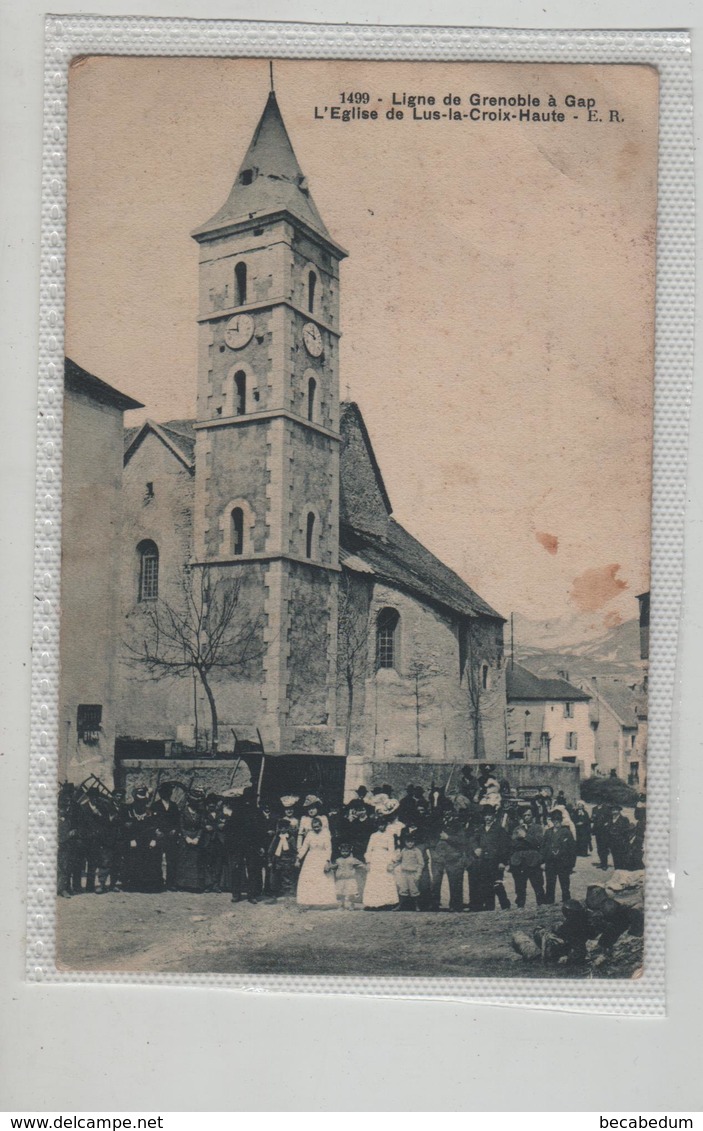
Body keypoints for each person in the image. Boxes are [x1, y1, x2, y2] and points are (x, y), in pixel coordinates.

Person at [223, 787, 266, 903]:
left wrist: (260, 845)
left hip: (252, 846)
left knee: (252, 869)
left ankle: (251, 895)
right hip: (238, 846)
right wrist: (231, 845)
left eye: (251, 798)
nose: (249, 801)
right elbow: (229, 829)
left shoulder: (257, 812)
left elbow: (261, 830)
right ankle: (236, 894)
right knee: (236, 869)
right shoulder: (237, 811)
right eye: (247, 798)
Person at [468, 809, 511, 911]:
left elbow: (505, 847)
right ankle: (489, 907)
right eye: (486, 816)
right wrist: (476, 848)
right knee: (486, 885)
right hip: (484, 861)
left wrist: (503, 861)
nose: (487, 818)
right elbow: (473, 840)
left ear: (493, 816)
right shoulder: (481, 829)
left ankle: (505, 905)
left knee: (497, 884)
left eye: (489, 815)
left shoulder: (499, 830)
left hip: (495, 861)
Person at [122, 787, 163, 892]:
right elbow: (125, 826)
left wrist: (153, 839)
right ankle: (131, 884)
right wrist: (131, 839)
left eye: (144, 801)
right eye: (139, 800)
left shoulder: (149, 811)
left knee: (147, 861)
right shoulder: (128, 810)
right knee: (131, 861)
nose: (142, 803)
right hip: (132, 840)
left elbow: (153, 827)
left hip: (146, 841)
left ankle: (145, 885)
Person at [429, 815, 468, 912]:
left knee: (455, 881)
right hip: (438, 856)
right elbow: (430, 839)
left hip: (453, 857)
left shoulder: (458, 825)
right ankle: (434, 905)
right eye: (443, 812)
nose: (446, 815)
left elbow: (462, 840)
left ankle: (456, 905)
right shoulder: (435, 823)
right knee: (436, 882)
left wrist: (448, 837)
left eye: (448, 812)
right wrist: (433, 852)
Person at [296, 817, 337, 908]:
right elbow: (304, 847)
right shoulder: (310, 834)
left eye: (318, 826)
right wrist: (298, 858)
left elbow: (328, 849)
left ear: (321, 826)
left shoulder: (325, 834)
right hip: (310, 859)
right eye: (314, 827)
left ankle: (323, 902)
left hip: (322, 858)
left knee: (322, 880)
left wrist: (327, 861)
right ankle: (309, 902)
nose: (316, 828)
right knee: (310, 880)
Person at [541, 809, 577, 904]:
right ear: (552, 821)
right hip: (550, 863)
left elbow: (572, 849)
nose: (556, 822)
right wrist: (543, 861)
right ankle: (549, 902)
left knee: (565, 884)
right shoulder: (548, 832)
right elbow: (543, 847)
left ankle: (567, 902)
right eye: (554, 820)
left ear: (561, 820)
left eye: (558, 820)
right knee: (550, 884)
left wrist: (571, 864)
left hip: (563, 863)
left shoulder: (566, 832)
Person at [363, 818, 399, 909]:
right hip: (375, 859)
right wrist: (368, 862)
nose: (381, 826)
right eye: (379, 825)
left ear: (386, 825)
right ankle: (373, 903)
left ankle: (386, 903)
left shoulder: (389, 836)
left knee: (385, 879)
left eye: (383, 825)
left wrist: (390, 863)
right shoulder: (373, 836)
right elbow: (369, 849)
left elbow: (391, 850)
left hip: (384, 858)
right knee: (374, 880)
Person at [152, 782, 181, 890]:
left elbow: (178, 821)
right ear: (160, 793)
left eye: (169, 792)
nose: (167, 794)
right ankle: (158, 882)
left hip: (171, 836)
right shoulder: (154, 805)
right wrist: (156, 831)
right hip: (159, 835)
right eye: (164, 792)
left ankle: (171, 883)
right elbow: (151, 820)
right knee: (157, 859)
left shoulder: (174, 805)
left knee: (171, 860)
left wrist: (175, 830)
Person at [509, 825, 545, 908]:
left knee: (538, 885)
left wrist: (525, 836)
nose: (526, 816)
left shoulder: (537, 828)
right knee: (519, 887)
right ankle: (520, 906)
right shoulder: (516, 828)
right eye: (524, 815)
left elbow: (539, 842)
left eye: (529, 815)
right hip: (519, 862)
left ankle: (541, 905)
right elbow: (512, 843)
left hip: (533, 861)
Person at [393, 833, 426, 911]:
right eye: (408, 842)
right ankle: (400, 906)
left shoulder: (417, 851)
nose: (410, 843)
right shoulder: (403, 850)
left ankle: (417, 906)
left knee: (414, 890)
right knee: (403, 889)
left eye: (412, 842)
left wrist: (418, 874)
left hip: (413, 873)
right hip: (404, 873)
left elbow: (421, 864)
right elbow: (398, 860)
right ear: (405, 842)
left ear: (414, 842)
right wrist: (392, 865)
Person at [330, 843, 365, 910]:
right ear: (340, 851)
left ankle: (351, 905)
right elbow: (334, 866)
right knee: (340, 893)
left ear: (349, 851)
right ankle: (341, 905)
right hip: (340, 879)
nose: (344, 853)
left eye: (346, 851)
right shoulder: (338, 860)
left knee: (351, 893)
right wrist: (329, 867)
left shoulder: (352, 859)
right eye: (343, 851)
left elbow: (360, 864)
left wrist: (365, 867)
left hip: (350, 879)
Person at [607, 804, 634, 869]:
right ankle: (617, 872)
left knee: (622, 859)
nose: (614, 811)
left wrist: (624, 840)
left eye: (616, 810)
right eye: (613, 810)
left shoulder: (624, 819)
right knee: (615, 858)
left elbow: (627, 831)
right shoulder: (610, 820)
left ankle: (622, 873)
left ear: (619, 811)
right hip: (612, 843)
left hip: (621, 843)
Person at [591, 801, 612, 869]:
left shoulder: (606, 808)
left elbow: (610, 818)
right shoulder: (594, 809)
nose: (598, 801)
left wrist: (607, 824)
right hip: (597, 830)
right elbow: (592, 818)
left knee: (604, 847)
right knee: (599, 847)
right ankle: (601, 863)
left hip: (604, 831)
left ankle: (605, 864)